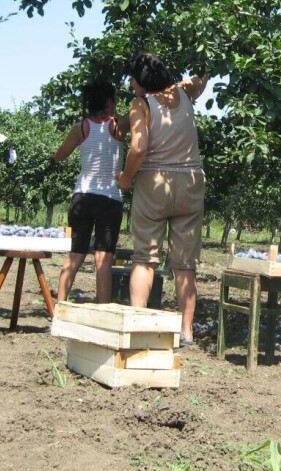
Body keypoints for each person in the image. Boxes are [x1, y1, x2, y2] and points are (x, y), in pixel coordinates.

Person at [117, 52, 208, 345]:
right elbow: (203, 77)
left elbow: (139, 147)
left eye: (132, 79)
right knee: (185, 263)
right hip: (191, 182)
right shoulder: (184, 92)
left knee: (145, 258)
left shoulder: (140, 104)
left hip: (154, 183)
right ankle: (186, 332)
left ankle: (138, 325)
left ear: (140, 81)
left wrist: (127, 176)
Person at [53, 81, 129, 303]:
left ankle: (60, 305)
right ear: (108, 101)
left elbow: (59, 156)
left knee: (75, 254)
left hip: (82, 197)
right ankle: (102, 309)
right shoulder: (118, 126)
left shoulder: (81, 128)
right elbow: (141, 111)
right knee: (103, 258)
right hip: (109, 199)